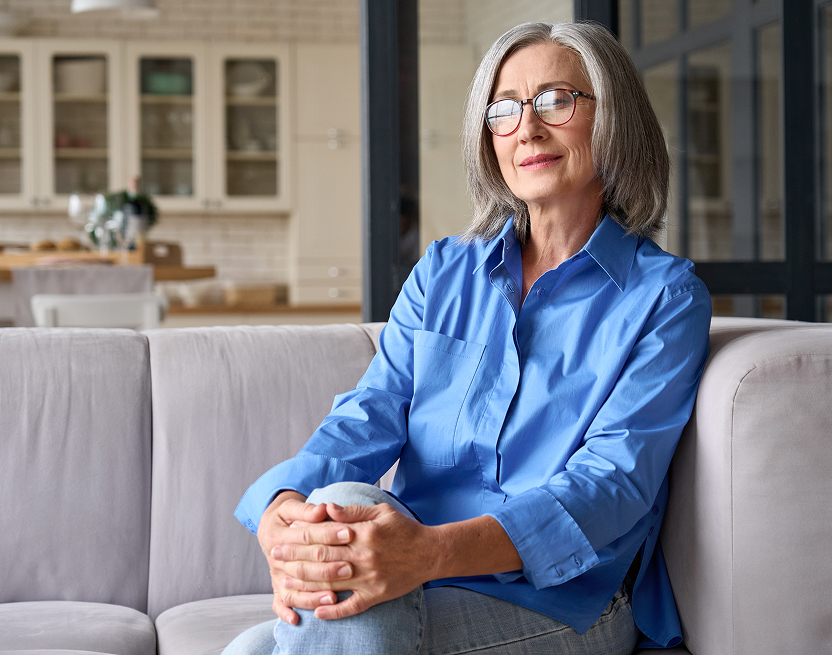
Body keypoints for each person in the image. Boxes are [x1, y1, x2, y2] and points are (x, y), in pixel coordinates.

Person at [225, 20, 711, 655]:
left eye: (555, 101)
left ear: (614, 118)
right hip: (414, 580)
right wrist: (283, 511)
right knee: (263, 630)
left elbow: (611, 486)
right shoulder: (443, 272)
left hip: (566, 600)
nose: (527, 129)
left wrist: (427, 552)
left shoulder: (665, 298)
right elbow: (371, 413)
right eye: (503, 110)